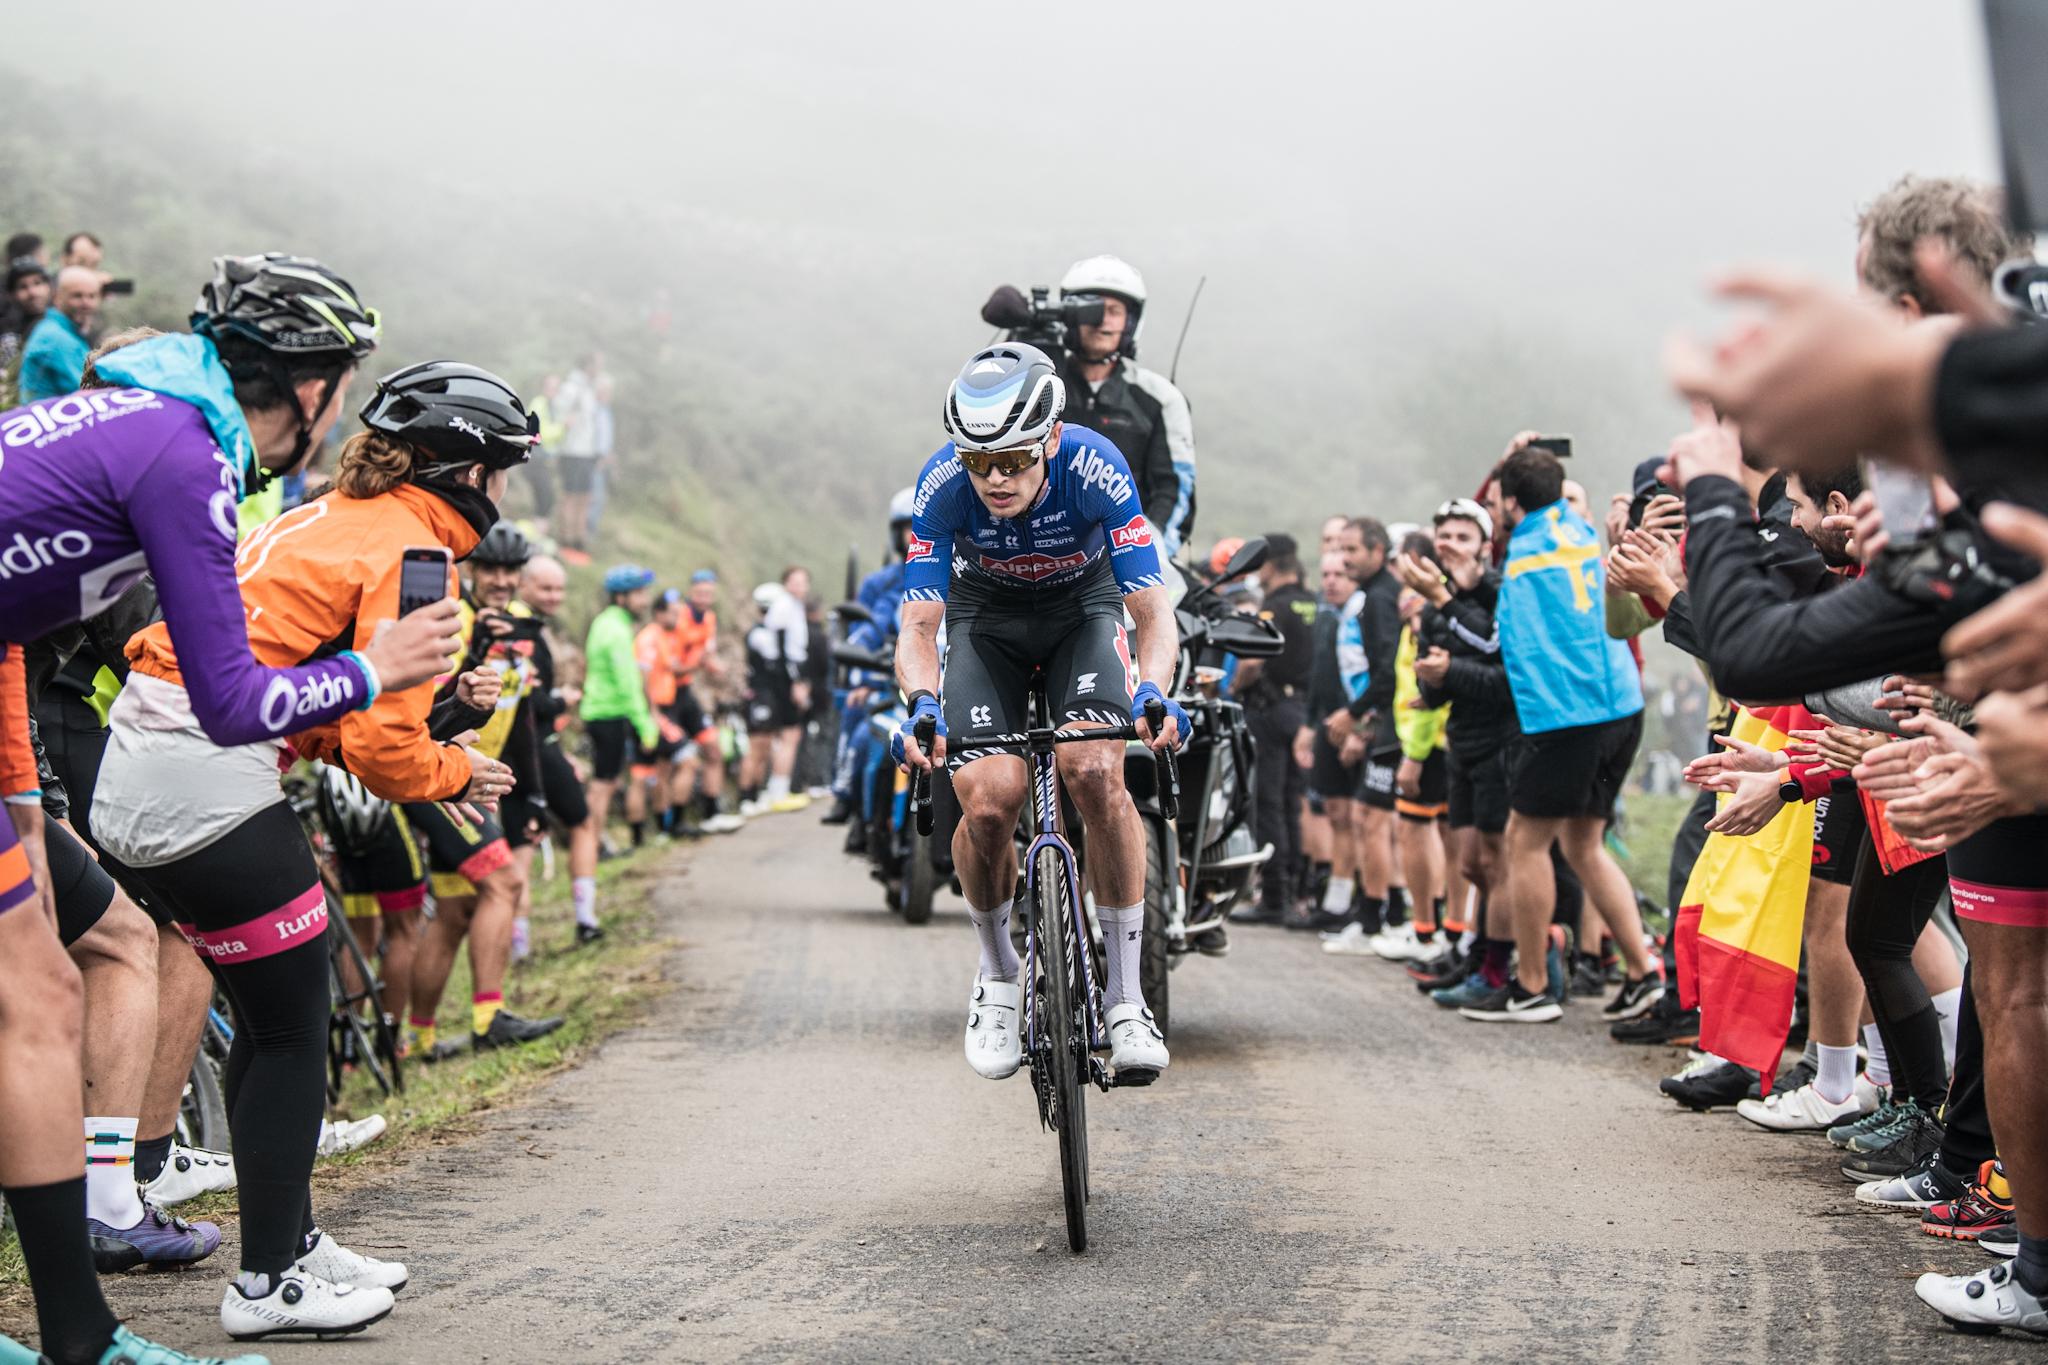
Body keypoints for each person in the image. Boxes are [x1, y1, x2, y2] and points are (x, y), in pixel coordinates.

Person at [0, 254, 458, 1365]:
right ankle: (83, 1343)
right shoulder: (185, 454)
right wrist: (377, 665)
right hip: (188, 754)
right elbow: (234, 701)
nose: (341, 410)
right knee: (38, 1006)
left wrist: (16, 790)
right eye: (342, 383)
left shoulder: (124, 415)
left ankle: (78, 1337)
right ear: (308, 386)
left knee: (43, 984)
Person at [91, 356, 537, 1340]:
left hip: (154, 757)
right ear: (461, 469)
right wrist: (456, 771)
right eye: (500, 469)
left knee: (268, 1015)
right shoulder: (416, 555)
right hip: (202, 775)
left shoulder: (331, 514)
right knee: (297, 1024)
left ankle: (285, 1238)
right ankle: (267, 1284)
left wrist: (441, 727)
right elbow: (382, 751)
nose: (501, 492)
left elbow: (325, 692)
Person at [894, 342, 1185, 1084]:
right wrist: (923, 703)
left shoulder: (1096, 466)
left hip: (1079, 612)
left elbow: (1152, 612)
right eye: (978, 462)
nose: (995, 478)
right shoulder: (939, 485)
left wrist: (1153, 690)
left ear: (1050, 438)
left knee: (1092, 768)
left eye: (1014, 459)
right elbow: (918, 629)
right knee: (989, 802)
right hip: (983, 620)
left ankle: (1124, 997)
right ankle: (996, 973)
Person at [1461, 441, 1662, 1024]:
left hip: (1568, 717)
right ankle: (1643, 972)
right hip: (1621, 706)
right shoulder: (1575, 529)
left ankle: (1530, 986)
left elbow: (1501, 619)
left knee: (1526, 841)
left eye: (1500, 500)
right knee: (1583, 844)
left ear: (1513, 503)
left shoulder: (1521, 553)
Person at [1053, 255, 1197, 557]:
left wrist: (1149, 553)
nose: (1103, 320)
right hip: (1042, 556)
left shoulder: (1161, 399)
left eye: (1115, 311)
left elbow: (1174, 491)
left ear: (1131, 321)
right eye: (1092, 308)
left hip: (1127, 557)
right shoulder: (1041, 386)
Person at [1228, 534, 1317, 930]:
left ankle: (1275, 897)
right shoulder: (1313, 603)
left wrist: (1231, 689)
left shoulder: (1275, 607)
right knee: (1292, 804)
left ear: (1270, 564)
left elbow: (1250, 662)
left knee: (1268, 804)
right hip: (1302, 710)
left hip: (1269, 709)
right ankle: (1300, 893)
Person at [582, 564, 660, 841]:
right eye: (638, 593)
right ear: (620, 597)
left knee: (605, 783)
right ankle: (593, 844)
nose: (645, 600)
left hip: (600, 712)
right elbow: (628, 684)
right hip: (608, 714)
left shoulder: (606, 622)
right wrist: (645, 725)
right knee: (602, 786)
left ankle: (594, 842)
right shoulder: (616, 630)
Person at [739, 568, 813, 814]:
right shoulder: (761, 635)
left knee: (767, 743)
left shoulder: (768, 629)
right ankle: (750, 797)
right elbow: (781, 657)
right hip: (765, 693)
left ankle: (759, 793)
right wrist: (796, 681)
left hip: (771, 691)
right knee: (761, 744)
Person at [17, 265, 100, 402]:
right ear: (56, 297)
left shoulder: (59, 329)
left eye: (92, 296)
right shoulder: (56, 338)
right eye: (77, 296)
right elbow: (90, 394)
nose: (86, 303)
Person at [553, 356, 600, 555]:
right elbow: (558, 409)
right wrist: (566, 422)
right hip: (571, 451)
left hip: (586, 452)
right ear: (588, 365)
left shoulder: (589, 389)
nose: (599, 368)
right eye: (597, 364)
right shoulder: (572, 387)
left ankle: (580, 538)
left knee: (585, 495)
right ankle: (566, 538)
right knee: (570, 495)